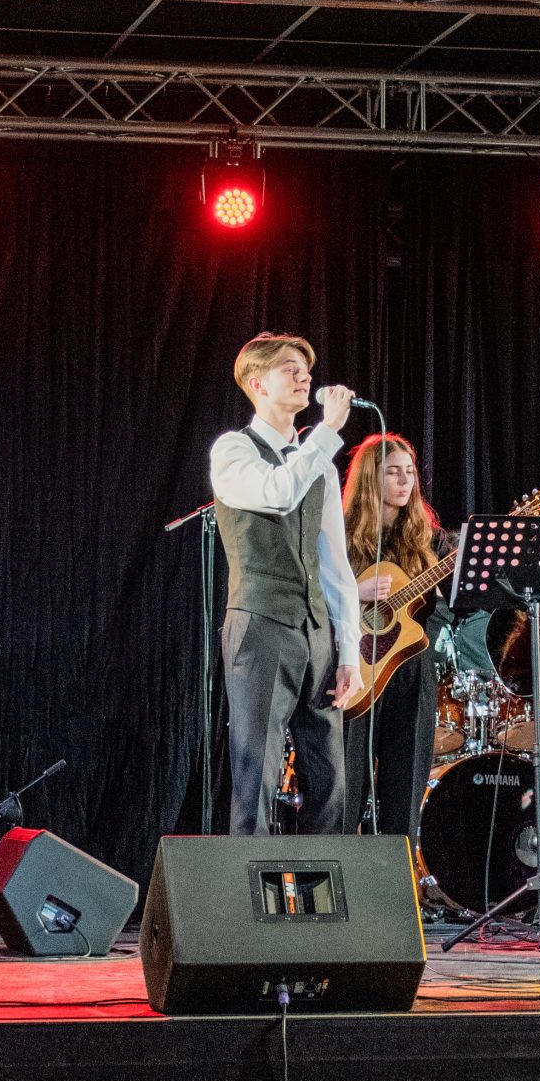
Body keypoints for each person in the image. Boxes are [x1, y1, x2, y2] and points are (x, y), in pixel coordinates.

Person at [209, 333, 364, 835]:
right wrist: (326, 432)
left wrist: (348, 652)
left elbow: (334, 564)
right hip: (261, 625)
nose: (304, 377)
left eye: (306, 369)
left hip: (314, 631)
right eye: (289, 369)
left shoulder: (317, 460)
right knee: (257, 773)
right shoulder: (234, 449)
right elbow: (275, 493)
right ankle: (248, 885)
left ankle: (319, 881)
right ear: (257, 383)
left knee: (330, 780)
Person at [340, 434, 454, 838]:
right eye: (393, 472)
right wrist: (355, 592)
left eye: (409, 472)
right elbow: (314, 597)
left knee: (404, 794)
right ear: (370, 478)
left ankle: (398, 875)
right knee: (343, 795)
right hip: (355, 672)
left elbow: (456, 606)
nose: (406, 481)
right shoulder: (340, 536)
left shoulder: (430, 540)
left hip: (411, 671)